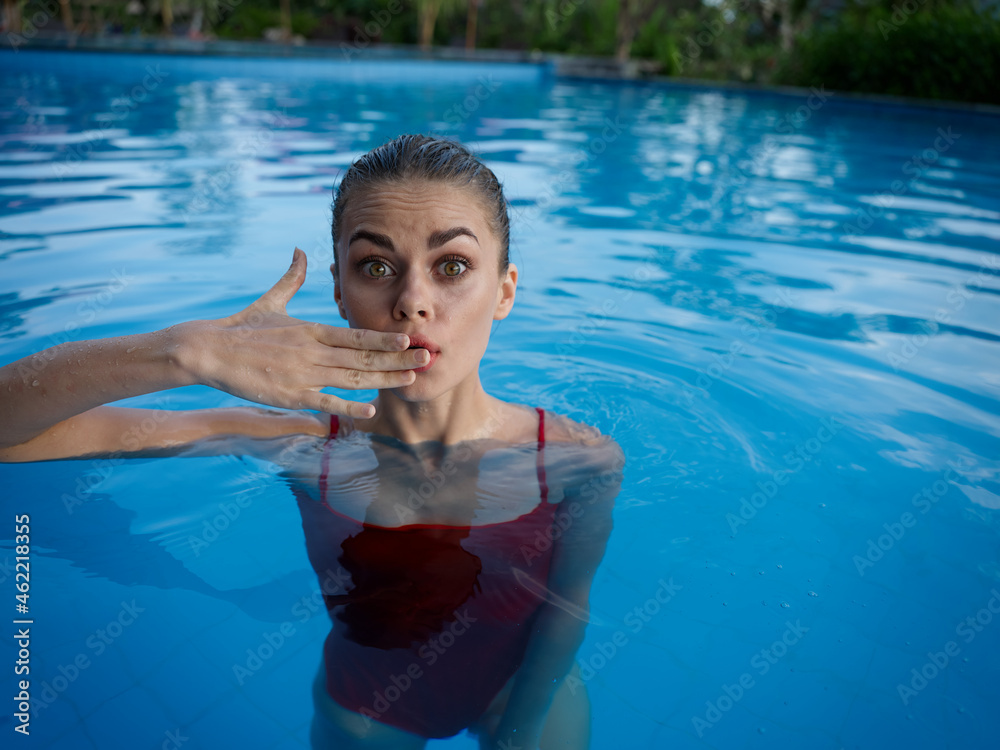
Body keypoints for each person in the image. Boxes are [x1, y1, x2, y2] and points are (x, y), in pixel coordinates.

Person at [0, 134, 623, 750]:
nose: (412, 302)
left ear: (505, 291)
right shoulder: (298, 442)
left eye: (452, 266)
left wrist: (520, 730)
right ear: (338, 291)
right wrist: (184, 353)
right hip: (368, 710)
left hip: (525, 696)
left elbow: (565, 613)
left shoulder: (575, 459)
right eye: (376, 266)